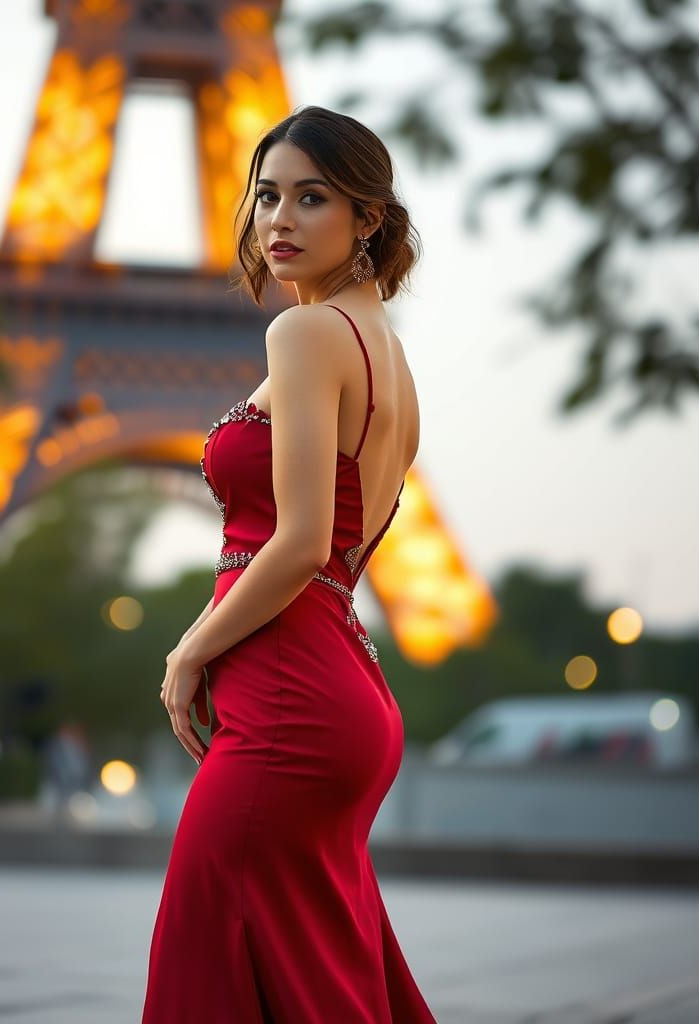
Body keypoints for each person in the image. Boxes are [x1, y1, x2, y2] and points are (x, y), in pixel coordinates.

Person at [142, 105, 438, 1023]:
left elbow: (304, 542)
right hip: (340, 695)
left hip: (289, 704)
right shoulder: (390, 359)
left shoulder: (305, 337)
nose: (279, 219)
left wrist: (189, 651)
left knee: (207, 977)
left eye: (312, 198)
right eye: (267, 196)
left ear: (368, 217)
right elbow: (337, 553)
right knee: (315, 990)